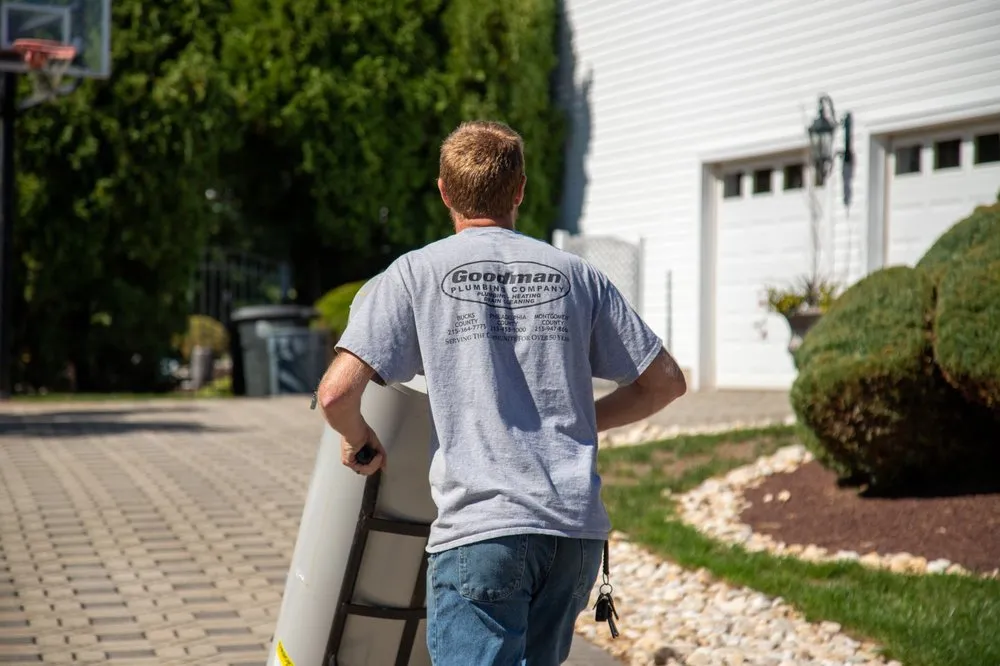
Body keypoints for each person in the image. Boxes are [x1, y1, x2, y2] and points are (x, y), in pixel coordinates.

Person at [316, 120, 687, 666]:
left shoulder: (415, 273)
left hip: (482, 534)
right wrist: (578, 420)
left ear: (444, 192)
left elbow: (335, 395)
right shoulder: (578, 275)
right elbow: (666, 383)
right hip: (572, 537)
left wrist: (358, 439)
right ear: (520, 190)